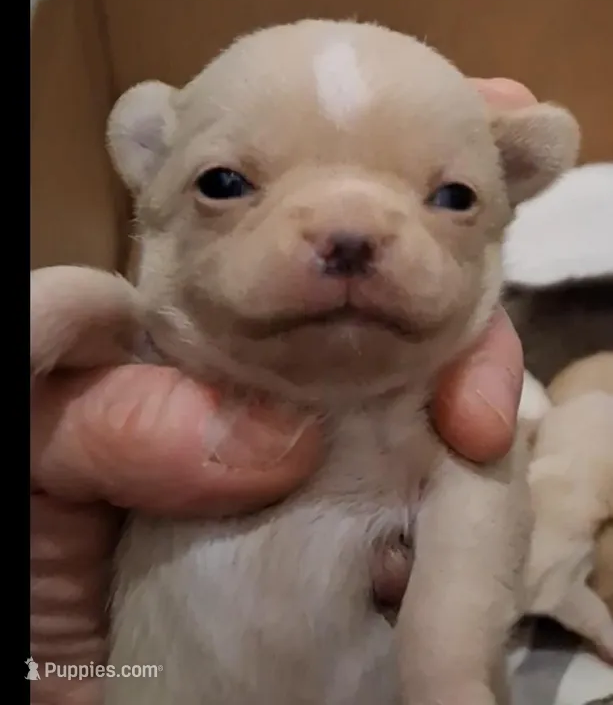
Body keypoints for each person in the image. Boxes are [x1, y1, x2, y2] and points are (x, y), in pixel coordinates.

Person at [30, 78, 536, 703]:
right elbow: (122, 322)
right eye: (226, 185)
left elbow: (473, 530)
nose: (349, 233)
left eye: (452, 197)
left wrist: (447, 679)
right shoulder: (142, 353)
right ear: (154, 161)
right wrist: (66, 303)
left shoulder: (438, 413)